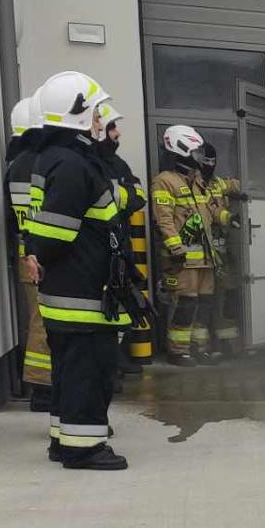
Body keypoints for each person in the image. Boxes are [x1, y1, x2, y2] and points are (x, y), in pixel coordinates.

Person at [24, 70, 135, 470]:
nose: (102, 122)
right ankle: (82, 448)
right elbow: (55, 235)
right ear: (79, 115)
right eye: (97, 114)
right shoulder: (72, 164)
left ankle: (64, 439)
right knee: (88, 372)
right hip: (81, 293)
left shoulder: (62, 158)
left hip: (74, 290)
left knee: (72, 372)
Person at [93, 102, 154, 373]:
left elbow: (138, 195)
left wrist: (118, 198)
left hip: (119, 244)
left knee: (120, 301)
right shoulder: (88, 163)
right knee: (102, 304)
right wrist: (121, 197)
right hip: (98, 246)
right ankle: (109, 364)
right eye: (111, 128)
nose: (117, 133)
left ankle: (117, 359)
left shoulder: (118, 164)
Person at [5, 96, 54, 411]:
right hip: (46, 253)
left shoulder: (16, 166)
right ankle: (43, 388)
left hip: (27, 252)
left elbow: (11, 218)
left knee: (38, 319)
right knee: (44, 322)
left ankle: (42, 385)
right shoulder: (43, 162)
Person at [151, 125, 214, 366]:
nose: (200, 157)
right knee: (185, 304)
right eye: (197, 151)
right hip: (183, 259)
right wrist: (176, 249)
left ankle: (199, 348)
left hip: (205, 258)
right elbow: (164, 219)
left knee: (204, 304)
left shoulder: (196, 181)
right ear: (182, 149)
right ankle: (178, 351)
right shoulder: (164, 181)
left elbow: (208, 213)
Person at [198, 142, 245, 359]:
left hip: (223, 251)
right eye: (205, 161)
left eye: (212, 161)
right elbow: (210, 210)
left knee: (226, 296)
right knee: (206, 299)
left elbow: (237, 185)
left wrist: (254, 187)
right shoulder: (194, 185)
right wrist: (228, 217)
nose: (210, 165)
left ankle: (226, 344)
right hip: (203, 251)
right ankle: (204, 346)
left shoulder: (218, 183)